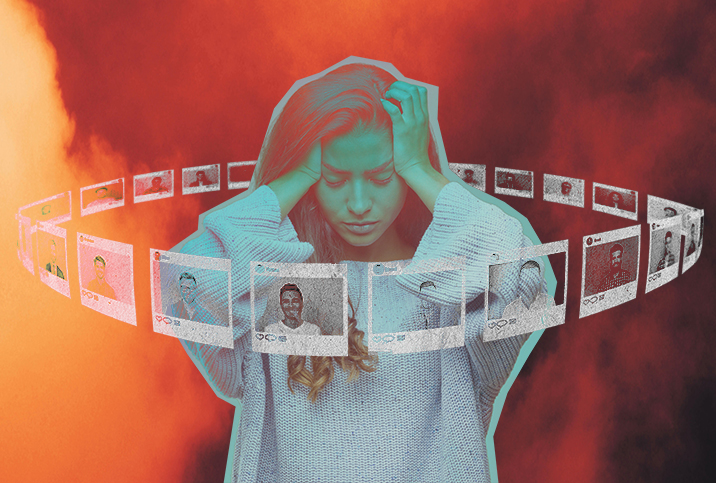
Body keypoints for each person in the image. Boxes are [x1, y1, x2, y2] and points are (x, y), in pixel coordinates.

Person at [177, 61, 547, 482]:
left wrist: (419, 169)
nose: (358, 204)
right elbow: (189, 284)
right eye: (333, 180)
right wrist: (296, 172)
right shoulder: (282, 289)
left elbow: (522, 276)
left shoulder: (452, 286)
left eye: (381, 176)